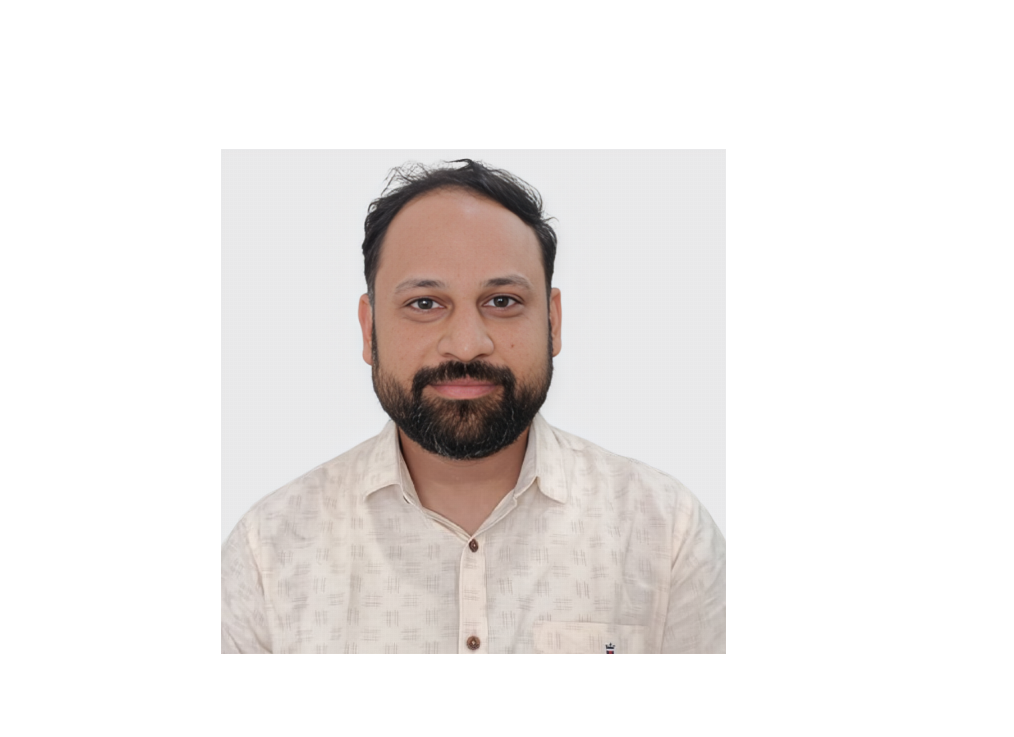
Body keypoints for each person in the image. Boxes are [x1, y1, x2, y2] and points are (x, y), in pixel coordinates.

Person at [221, 159, 725, 654]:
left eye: (502, 301)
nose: (466, 345)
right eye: (424, 304)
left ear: (553, 321)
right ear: (369, 329)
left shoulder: (666, 534)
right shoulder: (269, 552)